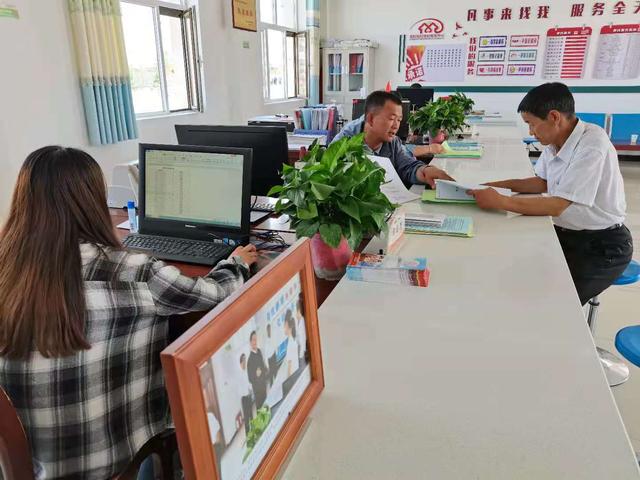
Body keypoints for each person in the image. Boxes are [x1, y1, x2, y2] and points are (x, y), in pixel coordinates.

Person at [0, 146, 257, 480]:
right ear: (94, 201)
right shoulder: (136, 272)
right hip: (110, 462)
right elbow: (215, 294)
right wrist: (236, 263)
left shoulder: (7, 269)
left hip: (27, 467)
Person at [467, 83, 633, 305]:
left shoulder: (592, 144)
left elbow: (557, 205)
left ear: (554, 117)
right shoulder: (556, 142)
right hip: (567, 234)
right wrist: (492, 186)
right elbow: (541, 182)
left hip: (602, 246)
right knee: (514, 275)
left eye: (532, 124)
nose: (530, 132)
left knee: (556, 305)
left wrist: (501, 201)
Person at [331, 90, 452, 187]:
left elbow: (408, 166)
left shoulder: (393, 142)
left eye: (399, 120)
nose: (396, 126)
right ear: (371, 119)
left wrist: (425, 170)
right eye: (391, 119)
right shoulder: (344, 142)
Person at [247, 331, 269, 409]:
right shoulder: (250, 360)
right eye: (253, 340)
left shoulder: (259, 351)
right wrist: (256, 374)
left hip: (263, 385)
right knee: (260, 408)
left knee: (266, 406)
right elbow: (250, 379)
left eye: (256, 339)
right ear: (250, 342)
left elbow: (262, 364)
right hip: (257, 390)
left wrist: (266, 368)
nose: (255, 341)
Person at [238, 353, 254, 436]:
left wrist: (251, 389)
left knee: (251, 415)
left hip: (248, 396)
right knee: (247, 418)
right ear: (241, 362)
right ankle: (248, 436)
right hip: (244, 399)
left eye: (245, 360)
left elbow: (248, 384)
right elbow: (239, 391)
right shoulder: (239, 374)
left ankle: (254, 431)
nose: (245, 362)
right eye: (244, 360)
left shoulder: (245, 372)